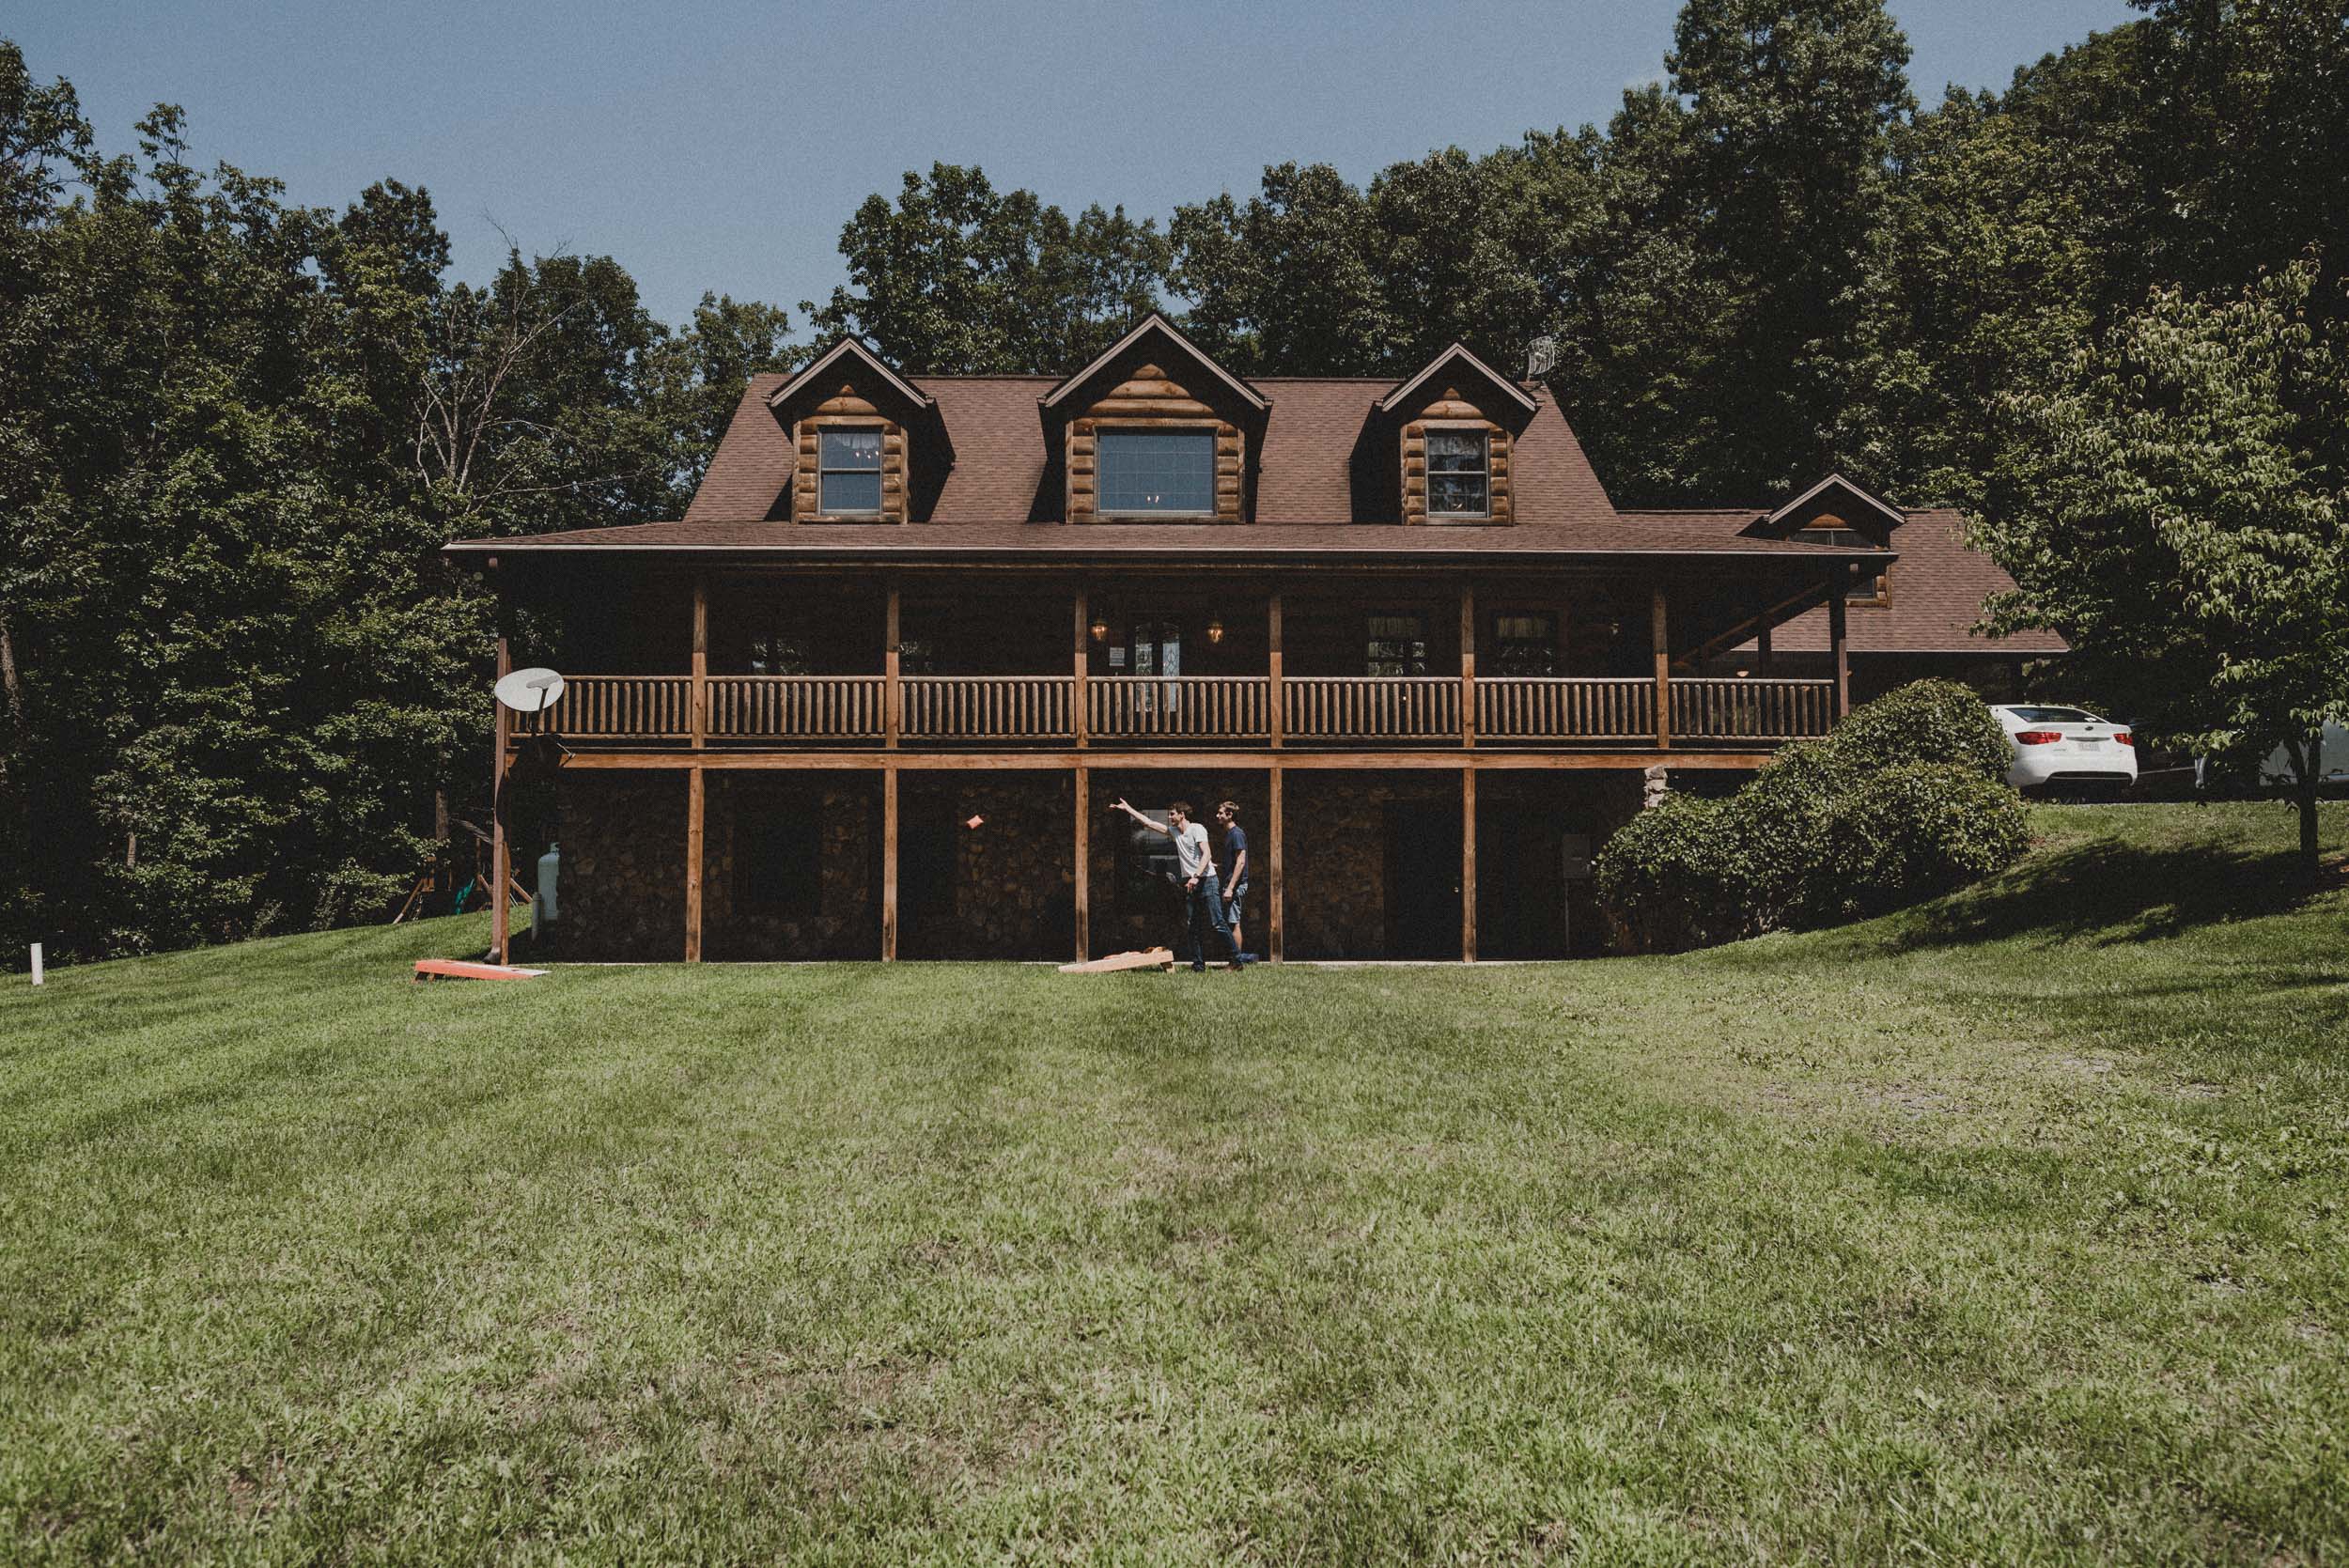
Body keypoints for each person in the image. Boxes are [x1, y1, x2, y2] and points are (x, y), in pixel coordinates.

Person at [1113, 797, 1245, 972]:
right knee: (1192, 925)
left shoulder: (1197, 829)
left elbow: (1206, 854)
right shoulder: (1174, 832)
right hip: (1191, 883)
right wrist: (1128, 808)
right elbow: (1149, 822)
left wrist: (1196, 876)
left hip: (1207, 881)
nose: (1169, 818)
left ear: (1182, 815)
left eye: (1172, 814)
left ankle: (1236, 961)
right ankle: (1198, 965)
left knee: (1217, 923)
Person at [1213, 800, 1250, 958]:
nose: (1217, 815)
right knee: (1230, 921)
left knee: (1234, 923)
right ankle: (1235, 959)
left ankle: (1236, 961)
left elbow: (1241, 861)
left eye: (1221, 813)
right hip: (1230, 884)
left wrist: (1230, 887)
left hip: (1234, 886)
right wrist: (1219, 866)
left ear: (1230, 815)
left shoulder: (1237, 834)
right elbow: (1233, 862)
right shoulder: (1230, 834)